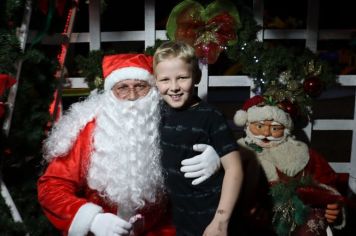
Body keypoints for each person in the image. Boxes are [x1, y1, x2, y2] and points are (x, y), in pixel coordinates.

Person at [37, 53, 219, 236]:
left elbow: (221, 157)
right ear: (110, 93)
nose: (132, 96)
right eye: (122, 88)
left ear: (152, 89)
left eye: (140, 87)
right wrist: (92, 219)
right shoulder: (90, 130)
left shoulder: (170, 121)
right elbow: (51, 187)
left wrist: (217, 158)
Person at [153, 41, 244, 236]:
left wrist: (220, 220)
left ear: (196, 77)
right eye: (165, 80)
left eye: (182, 78)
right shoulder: (157, 113)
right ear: (155, 81)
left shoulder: (210, 116)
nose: (174, 87)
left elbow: (234, 168)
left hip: (209, 217)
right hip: (176, 218)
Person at [232, 95, 345, 235]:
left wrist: (334, 207)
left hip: (296, 217)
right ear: (248, 124)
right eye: (260, 126)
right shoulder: (236, 152)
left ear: (285, 128)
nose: (266, 133)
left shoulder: (301, 153)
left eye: (275, 128)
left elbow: (328, 183)